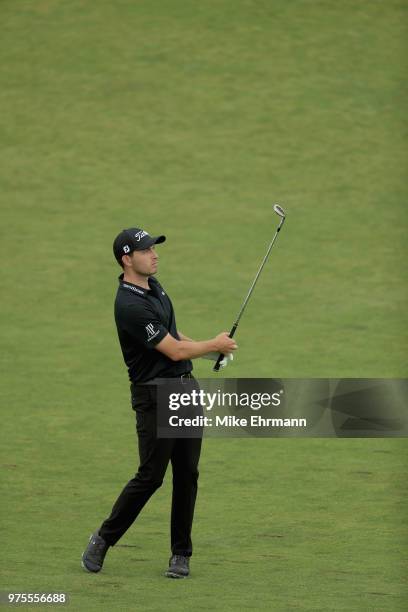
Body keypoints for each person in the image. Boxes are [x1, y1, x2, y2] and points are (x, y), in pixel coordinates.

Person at [81, 227, 237, 579]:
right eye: (146, 250)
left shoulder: (154, 287)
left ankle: (180, 555)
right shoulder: (129, 304)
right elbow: (174, 350)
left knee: (187, 474)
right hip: (155, 396)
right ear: (127, 259)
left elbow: (175, 334)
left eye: (154, 247)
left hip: (184, 389)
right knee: (151, 476)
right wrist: (212, 345)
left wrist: (210, 348)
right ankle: (103, 539)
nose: (154, 254)